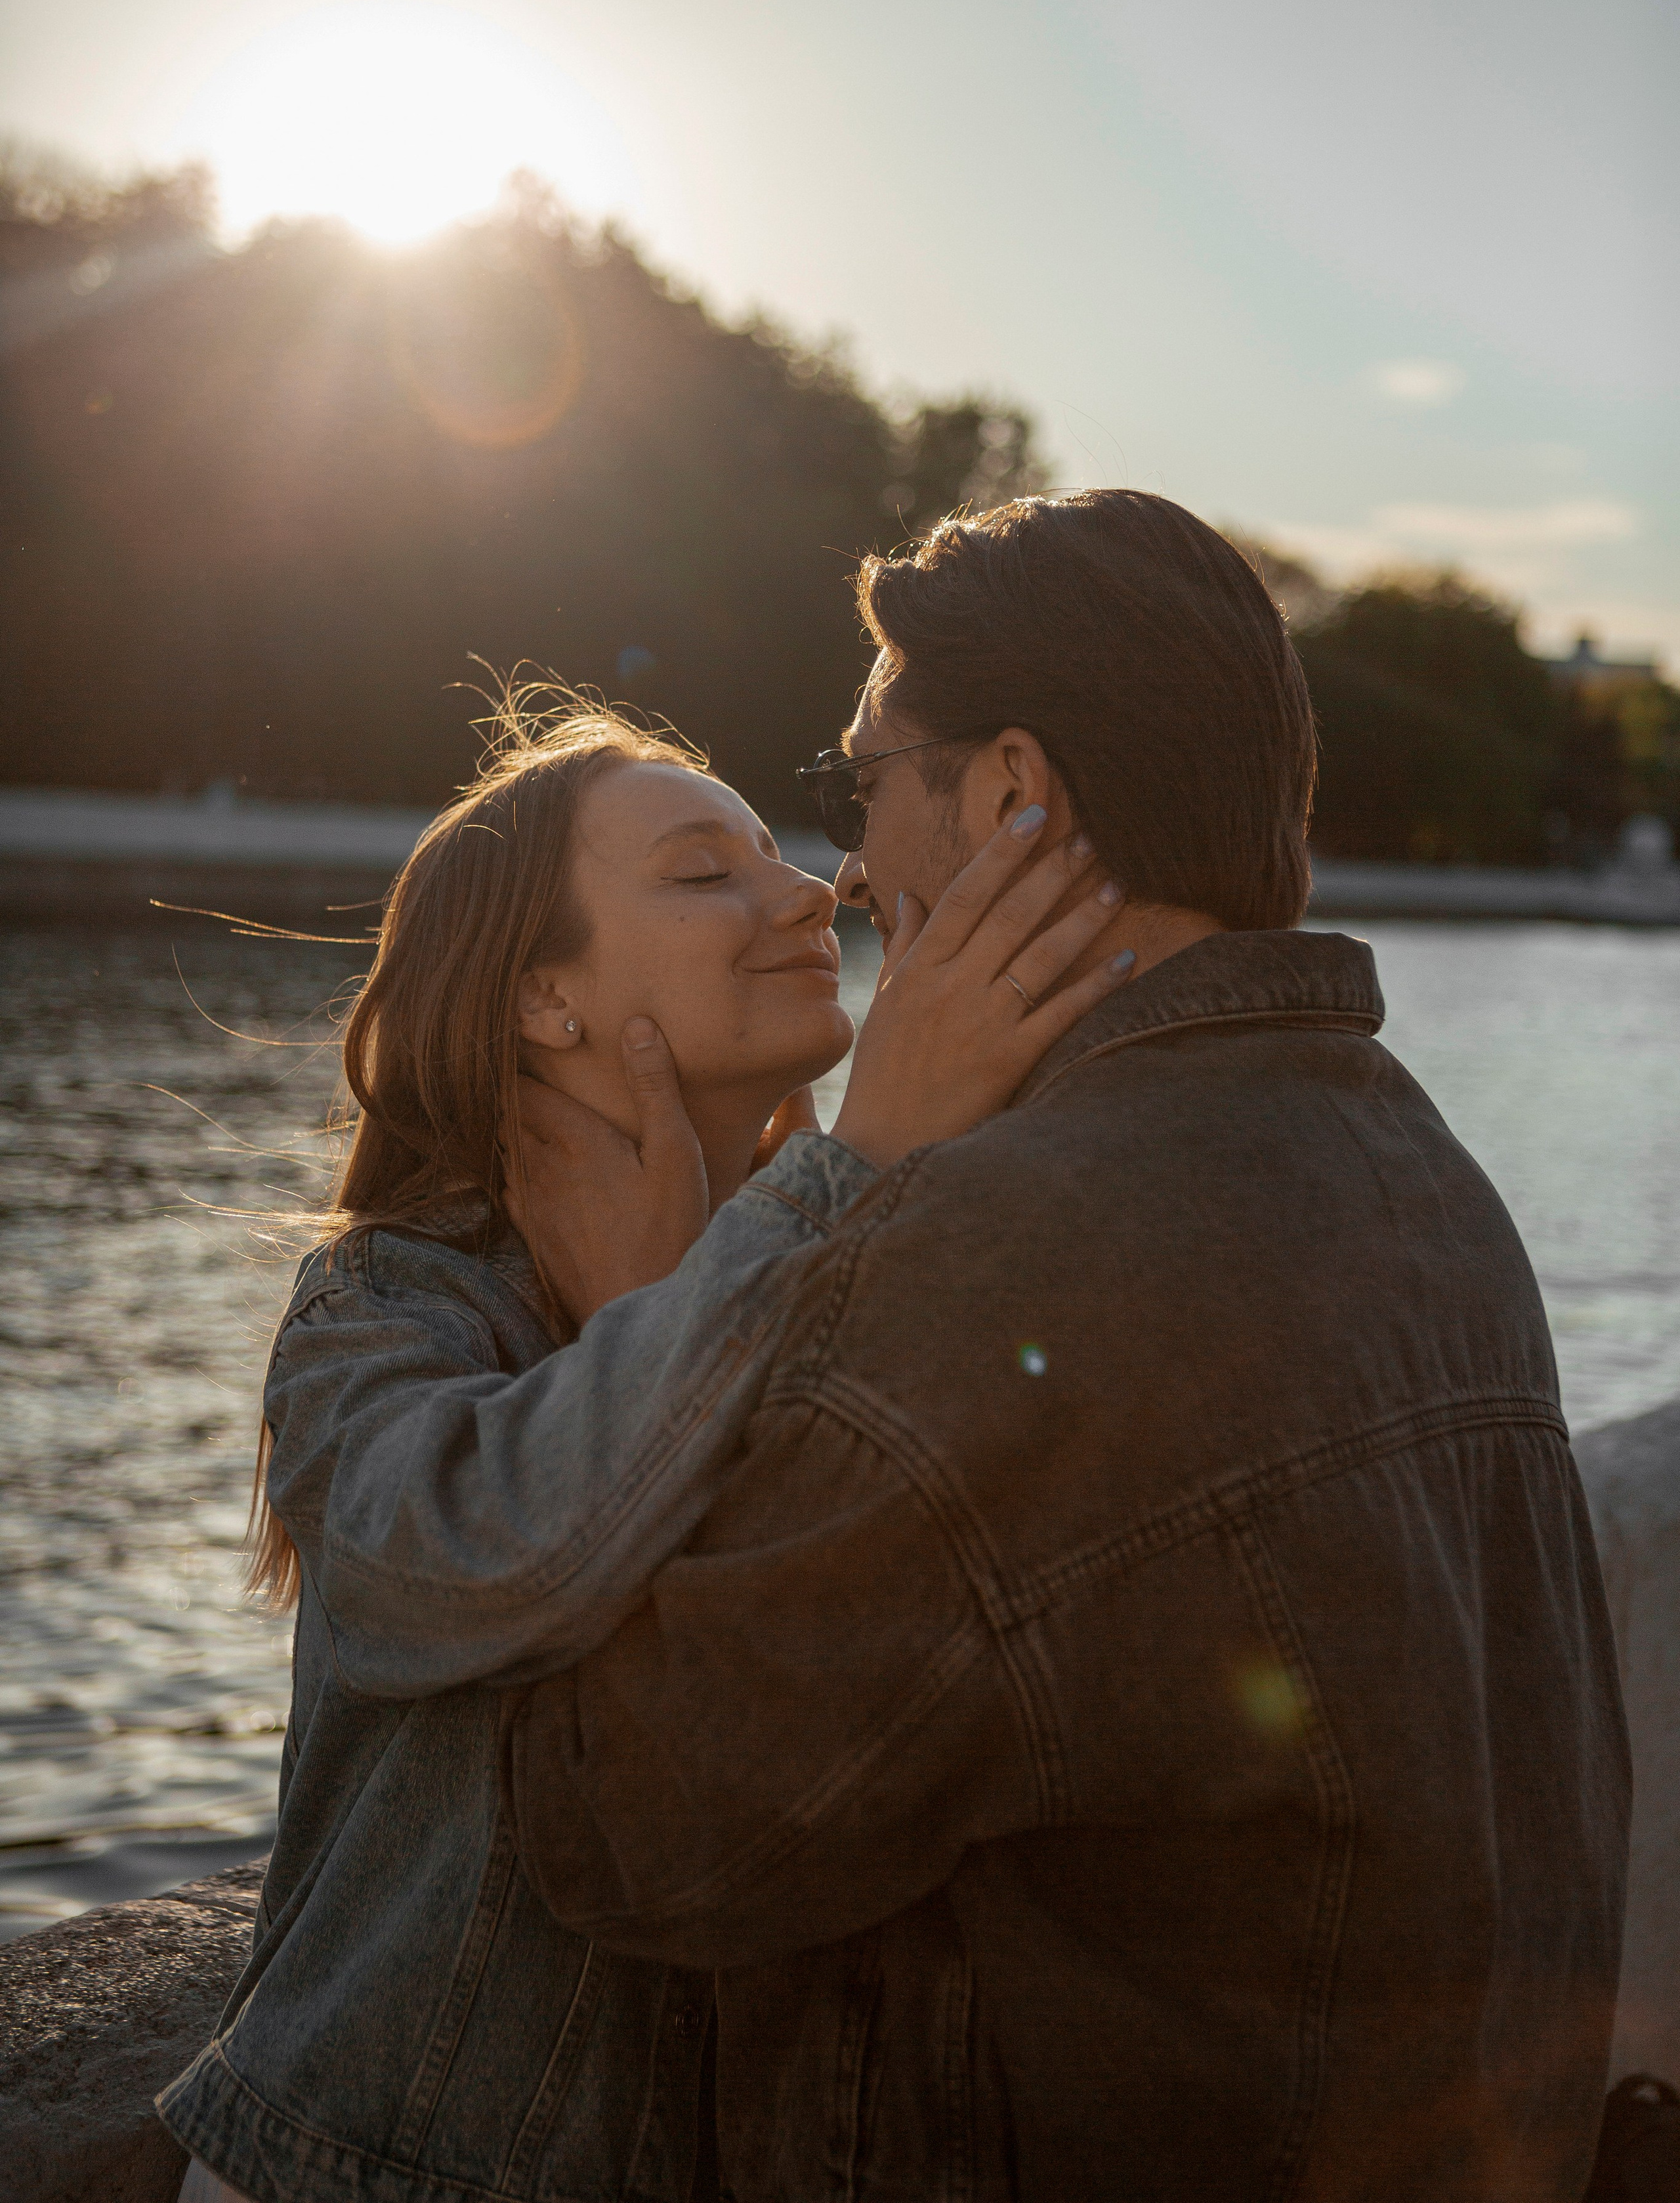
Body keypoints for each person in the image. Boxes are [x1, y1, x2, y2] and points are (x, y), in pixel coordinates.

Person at [492, 492, 1631, 2200]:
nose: (855, 868)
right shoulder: (1428, 1181)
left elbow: (631, 1831)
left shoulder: (1014, 1249)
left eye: (864, 780)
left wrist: (642, 1327)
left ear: (1017, 792)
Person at [158, 691, 1131, 2203]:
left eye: (775, 854)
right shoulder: (395, 1302)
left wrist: (751, 1260)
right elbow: (469, 1569)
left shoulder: (834, 1270)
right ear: (543, 999)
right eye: (701, 872)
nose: (810, 892)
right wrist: (825, 1188)